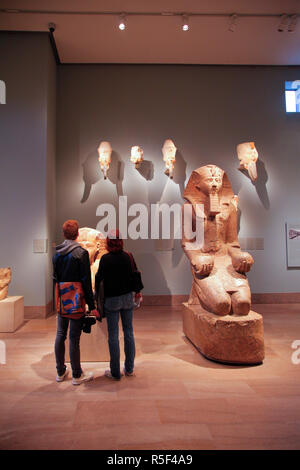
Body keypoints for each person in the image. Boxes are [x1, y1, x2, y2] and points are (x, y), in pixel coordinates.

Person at [53, 219, 98, 385]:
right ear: (78, 235)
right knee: (74, 338)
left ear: (64, 234)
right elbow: (86, 281)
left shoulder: (57, 253)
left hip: (62, 299)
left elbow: (55, 278)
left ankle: (60, 371)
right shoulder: (81, 253)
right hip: (77, 299)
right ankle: (77, 374)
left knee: (60, 334)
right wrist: (92, 306)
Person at [95, 230, 142, 380]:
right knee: (129, 333)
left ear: (108, 242)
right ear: (120, 241)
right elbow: (135, 274)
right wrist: (137, 292)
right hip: (127, 298)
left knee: (113, 336)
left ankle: (115, 372)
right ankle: (129, 369)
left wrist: (95, 301)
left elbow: (98, 280)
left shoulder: (105, 259)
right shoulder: (128, 256)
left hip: (112, 300)